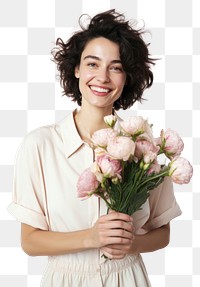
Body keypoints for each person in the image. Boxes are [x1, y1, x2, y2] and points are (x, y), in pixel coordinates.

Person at [8, 9, 182, 287]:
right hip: (64, 280)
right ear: (76, 69)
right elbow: (29, 241)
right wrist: (91, 237)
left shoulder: (144, 147)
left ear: (126, 77)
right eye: (92, 64)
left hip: (128, 278)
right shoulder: (40, 145)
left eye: (115, 67)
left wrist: (132, 244)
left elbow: (163, 232)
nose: (102, 77)